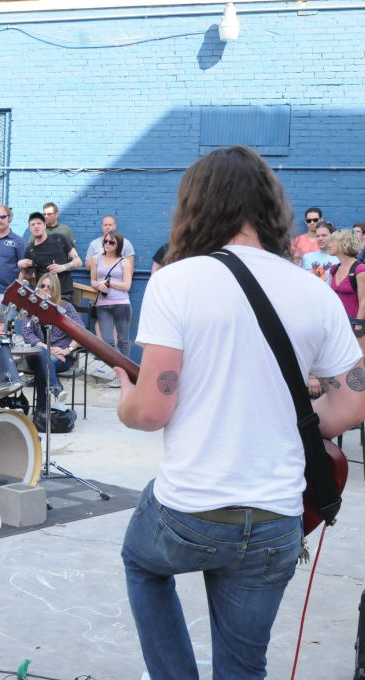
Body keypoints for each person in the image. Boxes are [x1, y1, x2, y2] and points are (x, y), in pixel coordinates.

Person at [115, 145, 365, 680]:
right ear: (272, 207)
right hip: (277, 517)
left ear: (196, 206)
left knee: (141, 561)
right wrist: (288, 416)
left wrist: (125, 398)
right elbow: (351, 405)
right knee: (244, 665)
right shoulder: (314, 291)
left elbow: (151, 410)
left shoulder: (175, 281)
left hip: (190, 511)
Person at [20, 274, 81, 411]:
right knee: (42, 355)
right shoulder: (30, 308)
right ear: (38, 288)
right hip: (37, 353)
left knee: (42, 366)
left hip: (61, 355)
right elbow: (27, 334)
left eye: (50, 287)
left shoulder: (66, 308)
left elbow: (81, 333)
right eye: (43, 286)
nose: (46, 289)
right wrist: (49, 350)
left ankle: (41, 411)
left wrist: (67, 350)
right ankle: (56, 388)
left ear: (56, 290)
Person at [89, 229, 133, 359]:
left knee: (123, 340)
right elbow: (93, 281)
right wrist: (98, 285)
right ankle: (123, 366)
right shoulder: (96, 259)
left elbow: (126, 286)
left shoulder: (125, 261)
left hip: (122, 304)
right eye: (105, 241)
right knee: (108, 342)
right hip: (103, 305)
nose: (107, 243)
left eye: (111, 242)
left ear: (118, 244)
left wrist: (109, 283)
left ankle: (126, 370)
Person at [22, 211, 81, 297]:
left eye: (39, 223)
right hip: (43, 294)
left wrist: (63, 267)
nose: (36, 226)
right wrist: (21, 267)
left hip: (63, 294)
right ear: (30, 229)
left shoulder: (59, 238)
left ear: (45, 225)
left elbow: (78, 261)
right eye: (33, 224)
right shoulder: (30, 249)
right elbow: (28, 275)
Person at [327, 229, 365, 353]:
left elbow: (363, 301)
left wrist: (359, 328)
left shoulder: (360, 269)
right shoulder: (334, 269)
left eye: (332, 241)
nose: (328, 243)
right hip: (338, 326)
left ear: (344, 243)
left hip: (356, 326)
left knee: (358, 362)